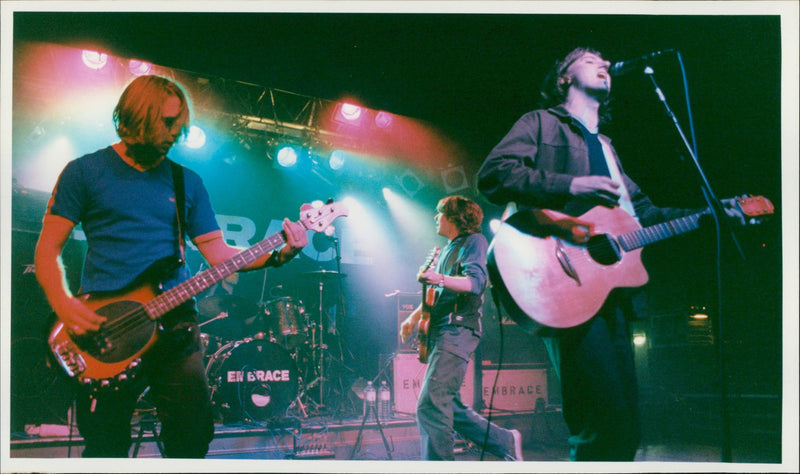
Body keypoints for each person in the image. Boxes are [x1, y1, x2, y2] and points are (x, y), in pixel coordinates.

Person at [477, 47, 744, 461]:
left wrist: (714, 213)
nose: (604, 65)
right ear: (564, 78)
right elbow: (494, 174)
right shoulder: (542, 123)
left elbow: (646, 215)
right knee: (598, 423)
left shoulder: (607, 147)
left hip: (611, 295)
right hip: (558, 278)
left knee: (626, 427)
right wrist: (571, 185)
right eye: (589, 60)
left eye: (605, 62)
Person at [34, 75, 308, 458]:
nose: (175, 134)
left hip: (175, 323)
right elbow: (47, 249)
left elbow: (219, 254)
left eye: (179, 126)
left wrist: (281, 253)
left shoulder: (186, 182)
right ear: (136, 116)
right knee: (105, 442)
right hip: (108, 327)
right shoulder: (84, 171)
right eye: (166, 123)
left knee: (193, 435)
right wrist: (64, 305)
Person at [400, 195, 523, 461]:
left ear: (454, 217)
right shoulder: (448, 248)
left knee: (431, 405)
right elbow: (437, 292)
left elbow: (475, 283)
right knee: (447, 405)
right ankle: (505, 441)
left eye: (439, 212)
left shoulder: (474, 242)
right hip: (443, 332)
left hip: (457, 331)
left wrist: (438, 277)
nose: (435, 217)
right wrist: (413, 318)